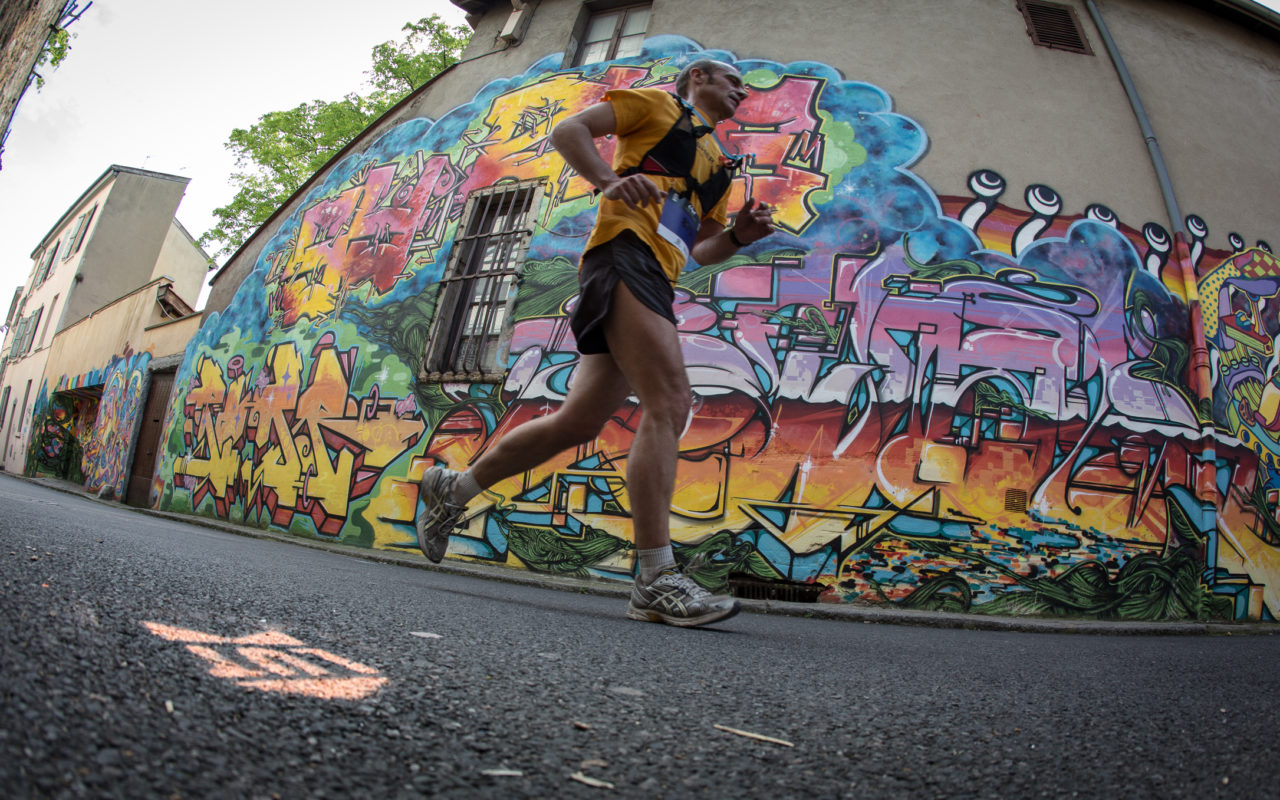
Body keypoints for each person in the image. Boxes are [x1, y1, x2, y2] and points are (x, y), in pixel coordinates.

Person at [415, 59, 776, 628]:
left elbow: (703, 249)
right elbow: (568, 131)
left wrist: (738, 236)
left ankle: (452, 490)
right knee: (671, 403)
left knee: (577, 424)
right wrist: (608, 181)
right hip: (621, 255)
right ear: (699, 78)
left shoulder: (720, 169)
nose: (741, 91)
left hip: (657, 275)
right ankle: (655, 577)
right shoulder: (657, 107)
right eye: (732, 81)